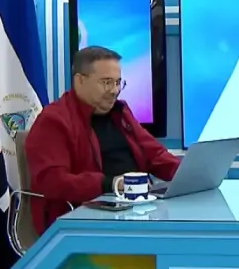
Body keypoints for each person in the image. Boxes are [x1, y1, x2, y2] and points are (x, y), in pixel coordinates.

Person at [25, 46, 181, 234]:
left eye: (118, 82)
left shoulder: (121, 113)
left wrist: (188, 174)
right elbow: (52, 181)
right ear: (80, 80)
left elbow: (155, 155)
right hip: (80, 223)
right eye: (106, 83)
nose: (115, 91)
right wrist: (110, 184)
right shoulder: (53, 121)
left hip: (134, 213)